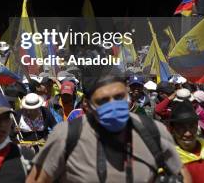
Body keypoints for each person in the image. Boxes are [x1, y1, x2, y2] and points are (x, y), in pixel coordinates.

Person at [27, 65, 187, 183]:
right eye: (103, 100)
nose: (113, 106)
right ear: (87, 106)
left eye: (118, 97)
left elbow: (183, 175)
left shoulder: (153, 132)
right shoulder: (65, 136)